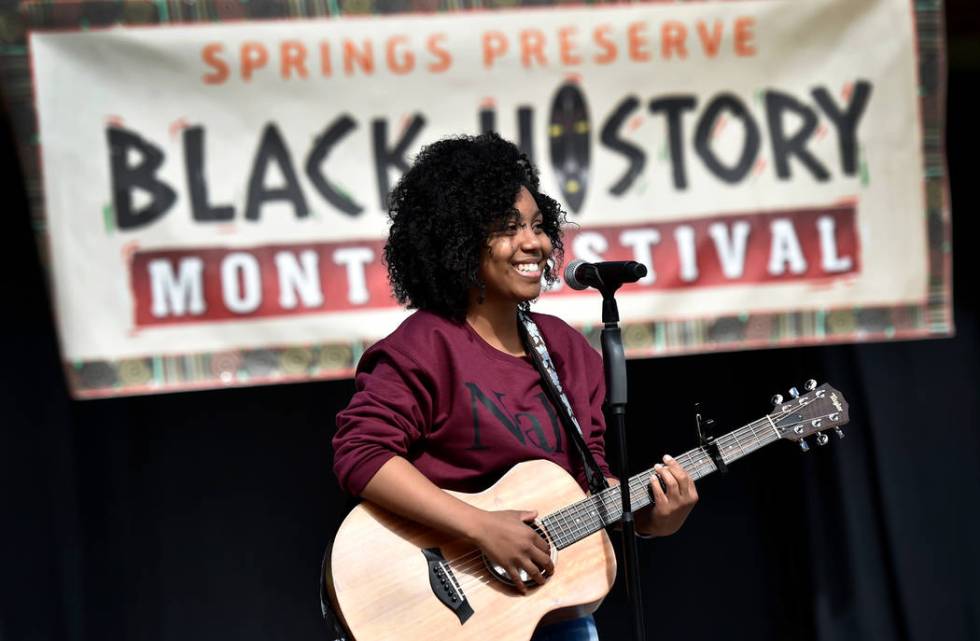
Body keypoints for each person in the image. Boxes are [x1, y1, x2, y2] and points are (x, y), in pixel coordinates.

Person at [332, 132, 698, 640]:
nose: (535, 243)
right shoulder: (424, 346)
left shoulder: (566, 351)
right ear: (457, 240)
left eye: (538, 225)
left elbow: (586, 482)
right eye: (509, 229)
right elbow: (362, 454)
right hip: (451, 615)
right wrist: (480, 526)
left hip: (553, 613)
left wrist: (650, 519)